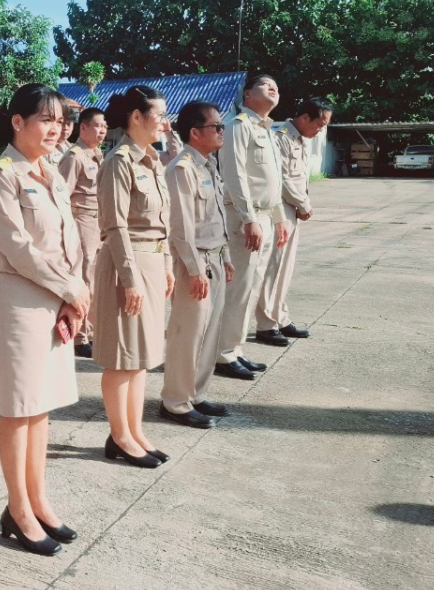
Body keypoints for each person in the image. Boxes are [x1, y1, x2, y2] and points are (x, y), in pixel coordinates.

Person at [0, 83, 88, 556]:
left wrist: (74, 293)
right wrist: (70, 288)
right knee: (19, 408)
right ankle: (18, 508)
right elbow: (18, 248)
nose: (56, 128)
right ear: (18, 122)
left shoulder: (53, 171)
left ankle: (38, 499)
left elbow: (71, 241)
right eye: (46, 119)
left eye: (61, 120)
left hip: (58, 297)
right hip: (20, 301)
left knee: (41, 406)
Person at [91, 87, 174, 467]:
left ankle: (135, 430)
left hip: (153, 263)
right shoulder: (119, 162)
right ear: (137, 118)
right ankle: (119, 436)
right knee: (122, 356)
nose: (164, 122)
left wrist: (168, 265)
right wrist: (130, 279)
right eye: (158, 115)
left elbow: (162, 223)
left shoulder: (152, 160)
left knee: (141, 357)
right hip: (129, 265)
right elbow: (115, 226)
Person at [160, 101, 235, 429]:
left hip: (216, 256)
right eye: (216, 127)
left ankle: (197, 394)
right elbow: (181, 227)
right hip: (197, 261)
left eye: (221, 127)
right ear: (194, 132)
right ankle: (175, 401)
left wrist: (227, 256)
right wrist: (193, 269)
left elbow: (216, 217)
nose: (221, 132)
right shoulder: (182, 169)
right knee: (187, 334)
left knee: (209, 333)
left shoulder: (208, 165)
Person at [214, 75, 290, 381]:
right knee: (239, 288)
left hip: (266, 217)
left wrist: (280, 216)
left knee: (253, 287)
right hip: (245, 219)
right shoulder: (237, 126)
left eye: (276, 85)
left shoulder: (268, 131)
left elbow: (274, 181)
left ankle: (235, 349)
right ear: (247, 94)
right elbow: (235, 175)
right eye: (265, 85)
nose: (273, 87)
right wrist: (248, 219)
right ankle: (221, 354)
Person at [255, 96, 333, 344]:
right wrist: (304, 204)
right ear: (304, 118)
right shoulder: (280, 139)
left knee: (285, 269)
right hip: (279, 211)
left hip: (293, 212)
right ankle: (266, 324)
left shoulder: (300, 140)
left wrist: (301, 205)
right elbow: (282, 179)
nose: (321, 129)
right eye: (320, 123)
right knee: (272, 269)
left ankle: (281, 318)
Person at [57, 106, 106, 358]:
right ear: (83, 127)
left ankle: (92, 330)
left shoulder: (96, 155)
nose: (102, 130)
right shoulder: (74, 156)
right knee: (84, 278)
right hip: (81, 221)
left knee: (95, 280)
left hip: (98, 222)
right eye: (97, 125)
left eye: (105, 126)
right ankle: (80, 337)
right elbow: (62, 195)